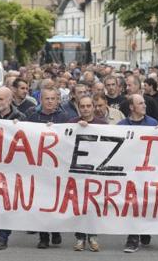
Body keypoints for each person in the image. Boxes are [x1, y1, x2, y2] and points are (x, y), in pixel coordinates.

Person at [25, 87, 68, 248]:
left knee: (55, 200)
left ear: (57, 101)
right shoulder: (33, 116)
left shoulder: (63, 117)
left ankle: (55, 230)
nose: (50, 101)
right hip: (38, 166)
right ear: (41, 100)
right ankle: (43, 237)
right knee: (41, 201)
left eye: (53, 99)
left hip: (57, 166)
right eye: (47, 99)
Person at [0, 87, 26, 250]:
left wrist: (20, 127)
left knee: (6, 202)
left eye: (1, 99)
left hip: (12, 169)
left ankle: (3, 236)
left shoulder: (21, 117)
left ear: (10, 100)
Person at [118, 94, 158, 253]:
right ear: (131, 107)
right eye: (140, 103)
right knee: (132, 203)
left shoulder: (153, 123)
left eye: (144, 103)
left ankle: (144, 229)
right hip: (129, 172)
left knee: (146, 202)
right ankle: (132, 238)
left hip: (148, 172)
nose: (144, 105)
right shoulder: (121, 126)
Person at [68, 95, 106, 252]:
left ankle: (92, 236)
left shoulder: (102, 124)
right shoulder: (71, 123)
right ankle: (80, 238)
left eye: (88, 106)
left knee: (93, 205)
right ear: (78, 107)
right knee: (78, 204)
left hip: (96, 171)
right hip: (76, 171)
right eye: (82, 106)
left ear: (93, 107)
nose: (85, 109)